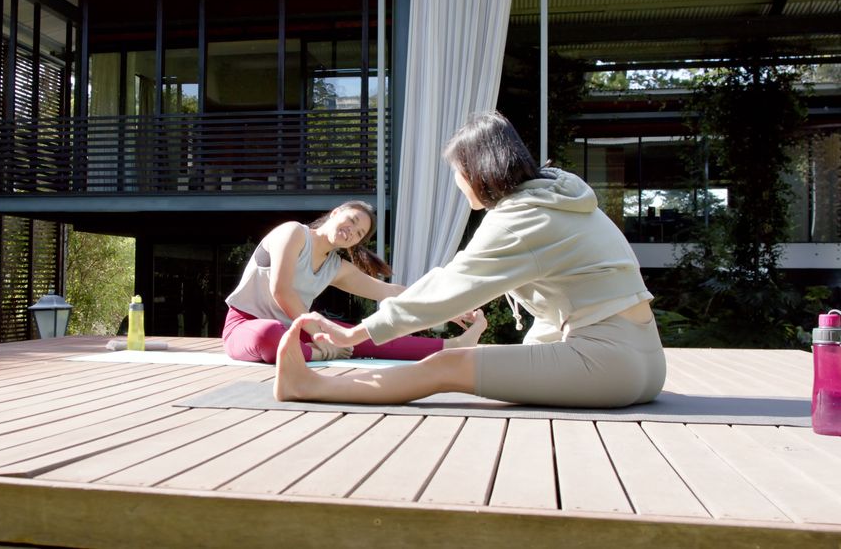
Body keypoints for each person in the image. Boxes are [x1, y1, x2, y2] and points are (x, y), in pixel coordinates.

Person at [274, 111, 666, 408]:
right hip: (644, 360)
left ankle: (310, 386)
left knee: (446, 367)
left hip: (608, 363)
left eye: (458, 173)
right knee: (474, 359)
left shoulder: (520, 217)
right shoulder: (558, 198)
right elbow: (563, 304)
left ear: (478, 170)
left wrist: (353, 334)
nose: (459, 184)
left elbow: (449, 286)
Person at [223, 200, 486, 363]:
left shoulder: (337, 268)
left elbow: (392, 292)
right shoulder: (293, 233)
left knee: (365, 333)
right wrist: (322, 339)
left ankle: (453, 346)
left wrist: (448, 308)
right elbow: (281, 290)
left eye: (359, 233)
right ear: (336, 212)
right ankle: (317, 353)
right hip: (246, 324)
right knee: (269, 334)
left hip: (298, 330)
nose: (351, 231)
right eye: (351, 220)